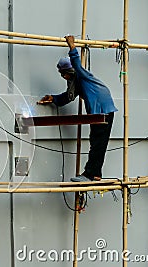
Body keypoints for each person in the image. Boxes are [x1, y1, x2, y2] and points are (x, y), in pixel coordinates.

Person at [38, 35, 117, 182]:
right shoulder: (77, 83)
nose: (64, 77)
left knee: (97, 143)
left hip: (101, 110)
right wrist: (53, 98)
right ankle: (95, 173)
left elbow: (76, 64)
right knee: (97, 142)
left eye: (64, 74)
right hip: (101, 110)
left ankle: (90, 174)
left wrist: (72, 46)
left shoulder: (81, 75)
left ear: (68, 72)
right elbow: (68, 97)